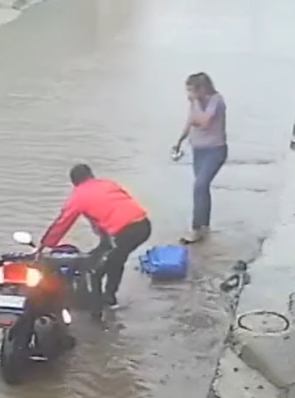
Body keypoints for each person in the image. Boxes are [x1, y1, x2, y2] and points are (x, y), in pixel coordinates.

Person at [40, 164, 152, 309]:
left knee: (94, 269)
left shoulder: (79, 196)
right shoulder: (108, 184)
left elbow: (62, 223)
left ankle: (98, 308)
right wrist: (104, 241)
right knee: (112, 258)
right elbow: (115, 208)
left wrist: (45, 244)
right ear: (91, 175)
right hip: (143, 225)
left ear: (74, 182)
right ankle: (109, 298)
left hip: (125, 232)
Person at [172, 72, 228, 244]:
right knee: (202, 189)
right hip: (198, 151)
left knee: (199, 186)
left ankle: (196, 229)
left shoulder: (216, 101)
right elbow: (190, 122)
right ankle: (204, 226)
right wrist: (179, 142)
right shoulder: (195, 103)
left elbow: (204, 122)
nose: (189, 95)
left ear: (202, 89)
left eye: (192, 91)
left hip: (215, 151)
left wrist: (195, 104)